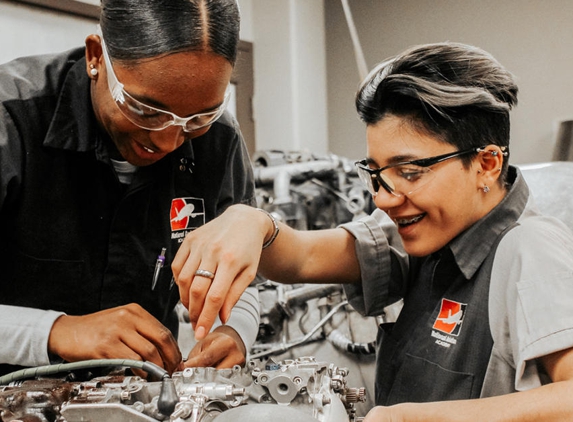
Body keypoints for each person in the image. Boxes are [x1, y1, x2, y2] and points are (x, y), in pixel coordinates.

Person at [172, 42, 573, 420]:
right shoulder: (432, 230)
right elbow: (302, 257)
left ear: (486, 163)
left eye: (411, 173)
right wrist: (252, 222)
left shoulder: (530, 249)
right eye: (376, 174)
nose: (384, 199)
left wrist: (406, 418)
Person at [0, 0, 259, 377]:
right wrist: (56, 332)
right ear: (95, 58)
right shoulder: (11, 120)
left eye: (198, 118)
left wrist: (235, 331)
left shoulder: (218, 141)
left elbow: (248, 279)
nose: (170, 141)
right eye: (146, 110)